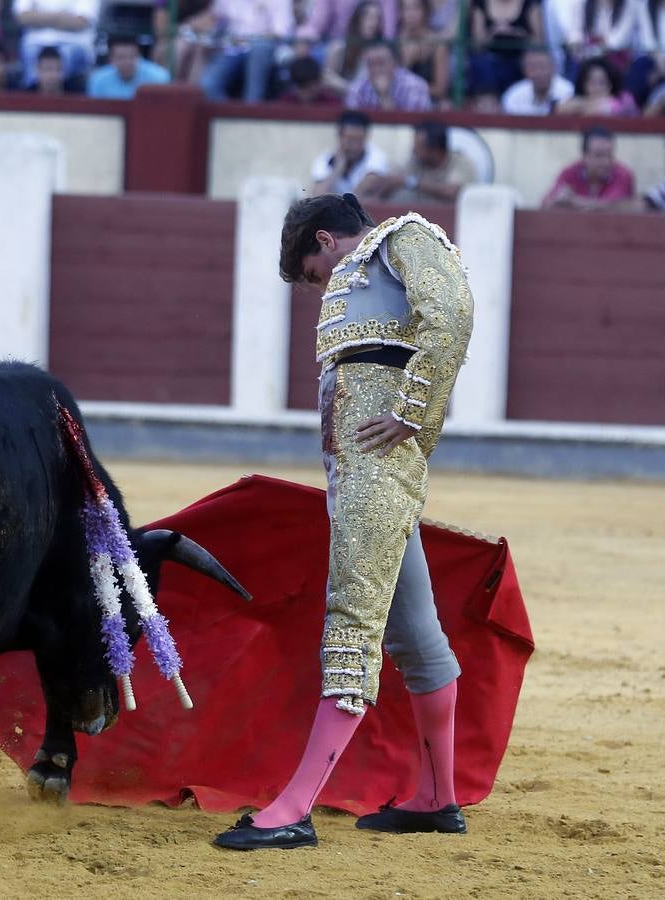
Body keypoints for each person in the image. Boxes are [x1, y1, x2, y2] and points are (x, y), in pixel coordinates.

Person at [214, 192, 473, 850]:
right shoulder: (368, 274)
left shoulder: (401, 239)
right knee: (415, 635)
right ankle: (439, 798)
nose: (318, 287)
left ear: (327, 241)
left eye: (312, 273)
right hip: (355, 472)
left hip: (374, 469)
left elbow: (451, 314)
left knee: (351, 621)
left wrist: (416, 413)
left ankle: (295, 807)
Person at [198, 0, 295, 103]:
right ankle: (228, 113)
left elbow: (281, 33)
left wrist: (249, 40)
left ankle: (251, 107)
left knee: (259, 49)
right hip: (231, 47)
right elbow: (214, 18)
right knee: (208, 84)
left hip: (264, 47)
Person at [359, 120, 478, 204]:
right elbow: (398, 178)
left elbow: (450, 192)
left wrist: (411, 181)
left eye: (418, 146)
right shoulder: (416, 161)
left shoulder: (460, 163)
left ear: (434, 149)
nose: (413, 149)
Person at [541, 126, 636, 209]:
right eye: (599, 155)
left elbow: (611, 206)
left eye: (610, 156)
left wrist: (572, 201)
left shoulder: (623, 175)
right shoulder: (569, 173)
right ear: (584, 156)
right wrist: (557, 200)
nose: (606, 162)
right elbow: (545, 204)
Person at [12, 0, 99, 85]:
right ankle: (32, 96)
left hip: (73, 44)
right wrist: (60, 16)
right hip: (34, 43)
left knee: (66, 55)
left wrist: (38, 16)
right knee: (30, 53)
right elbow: (23, 17)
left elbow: (80, 22)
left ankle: (62, 97)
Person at [468, 0, 544, 95]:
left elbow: (539, 42)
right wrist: (493, 34)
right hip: (490, 61)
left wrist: (518, 34)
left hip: (520, 59)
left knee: (528, 65)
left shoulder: (531, 3)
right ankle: (488, 103)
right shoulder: (480, 3)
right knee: (481, 62)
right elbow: (477, 45)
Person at [310, 110, 390, 196]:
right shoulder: (325, 159)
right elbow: (317, 195)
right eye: (350, 139)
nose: (354, 146)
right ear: (339, 136)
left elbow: (369, 185)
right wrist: (337, 168)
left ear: (366, 137)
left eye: (358, 140)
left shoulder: (375, 155)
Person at [344, 39, 433, 110]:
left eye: (381, 63)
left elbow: (414, 124)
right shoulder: (357, 88)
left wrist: (385, 96)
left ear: (395, 63)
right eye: (371, 64)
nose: (377, 69)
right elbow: (353, 124)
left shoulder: (415, 85)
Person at [322, 1, 385, 98]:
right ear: (357, 19)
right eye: (368, 17)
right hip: (341, 102)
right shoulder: (340, 47)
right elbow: (326, 77)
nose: (373, 22)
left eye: (377, 18)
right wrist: (350, 88)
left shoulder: (382, 51)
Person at [396, 0, 449, 106]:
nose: (411, 14)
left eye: (416, 8)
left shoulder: (437, 44)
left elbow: (440, 89)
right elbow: (391, 83)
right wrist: (407, 62)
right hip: (398, 101)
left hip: (428, 103)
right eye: (406, 9)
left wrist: (412, 89)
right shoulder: (395, 41)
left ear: (425, 11)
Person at [87, 33, 170, 99]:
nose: (127, 62)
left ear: (139, 55)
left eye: (132, 56)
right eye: (121, 57)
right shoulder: (98, 79)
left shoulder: (159, 77)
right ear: (111, 59)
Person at [501, 44, 575, 113]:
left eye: (542, 66)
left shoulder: (568, 92)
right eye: (533, 68)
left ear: (553, 67)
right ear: (524, 71)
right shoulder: (514, 96)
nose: (538, 73)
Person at [556, 55, 638, 114]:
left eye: (601, 83)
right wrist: (588, 102)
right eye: (592, 82)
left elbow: (603, 110)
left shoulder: (624, 98)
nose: (597, 87)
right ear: (583, 85)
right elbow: (560, 109)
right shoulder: (579, 98)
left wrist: (582, 105)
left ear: (610, 85)